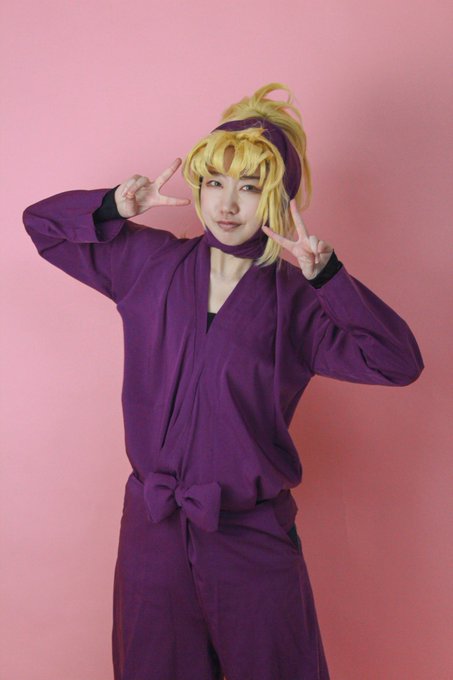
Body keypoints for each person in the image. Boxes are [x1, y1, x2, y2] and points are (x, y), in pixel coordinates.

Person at [22, 82, 424, 680]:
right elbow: (42, 225)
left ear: (277, 199)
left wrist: (330, 279)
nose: (227, 205)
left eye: (250, 187)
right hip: (154, 532)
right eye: (214, 183)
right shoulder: (148, 263)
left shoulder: (297, 301)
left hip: (251, 537)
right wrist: (112, 207)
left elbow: (397, 362)